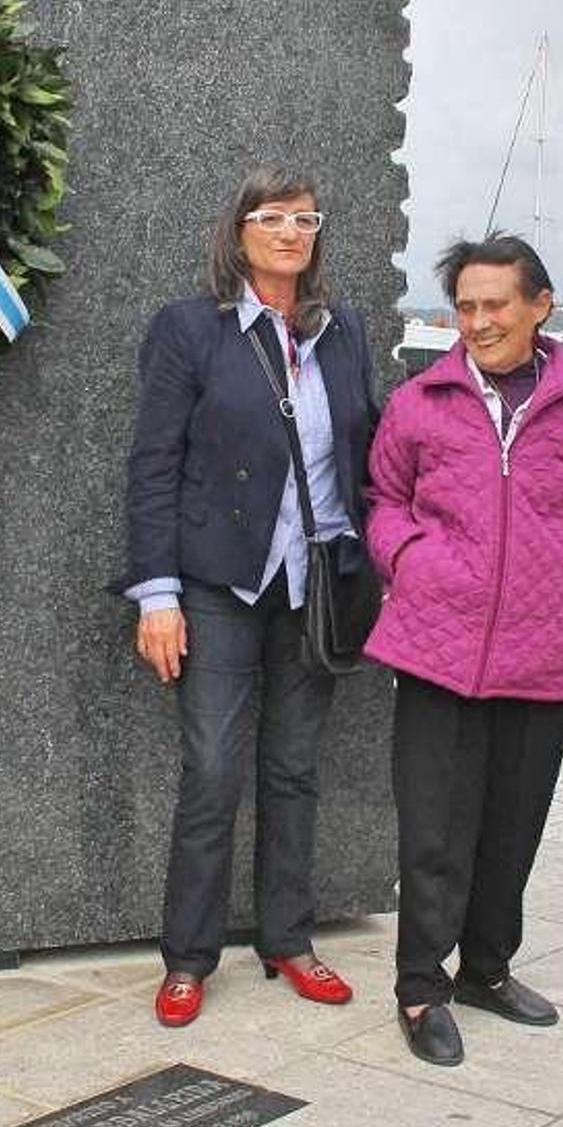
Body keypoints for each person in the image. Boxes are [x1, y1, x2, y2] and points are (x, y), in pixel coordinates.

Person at [123, 162, 379, 1027]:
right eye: (271, 217)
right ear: (239, 232)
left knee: (296, 769)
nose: (289, 234)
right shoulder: (192, 330)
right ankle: (188, 958)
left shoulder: (343, 331)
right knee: (212, 770)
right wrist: (157, 594)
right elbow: (154, 464)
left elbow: (363, 451)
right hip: (220, 583)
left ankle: (289, 939)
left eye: (305, 220)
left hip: (316, 584)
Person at [364, 233, 563, 1067]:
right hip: (438, 648)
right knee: (435, 832)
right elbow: (382, 498)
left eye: (495, 305)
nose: (477, 322)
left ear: (540, 305)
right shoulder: (422, 401)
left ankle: (486, 968)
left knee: (513, 830)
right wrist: (415, 559)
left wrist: (534, 571)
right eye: (465, 307)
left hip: (544, 655)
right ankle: (420, 986)